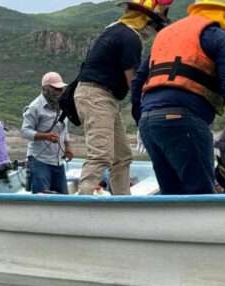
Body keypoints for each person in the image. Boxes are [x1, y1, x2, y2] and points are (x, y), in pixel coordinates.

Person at [131, 0, 225, 195]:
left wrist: (139, 120)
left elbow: (138, 81)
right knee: (201, 196)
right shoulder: (219, 36)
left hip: (149, 124)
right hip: (184, 122)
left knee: (171, 195)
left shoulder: (166, 35)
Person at [74, 0, 173, 195]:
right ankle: (80, 204)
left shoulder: (116, 29)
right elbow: (133, 82)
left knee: (122, 157)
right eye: (155, 25)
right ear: (146, 22)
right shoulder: (130, 38)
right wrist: (142, 116)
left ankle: (122, 202)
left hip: (103, 97)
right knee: (100, 155)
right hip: (97, 96)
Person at [21, 72, 74, 194]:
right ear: (46, 89)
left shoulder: (62, 105)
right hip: (40, 161)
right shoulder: (34, 107)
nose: (59, 91)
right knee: (42, 199)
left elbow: (64, 128)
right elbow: (24, 131)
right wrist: (47, 137)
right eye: (56, 88)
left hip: (58, 161)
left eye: (61, 88)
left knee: (63, 199)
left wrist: (68, 147)